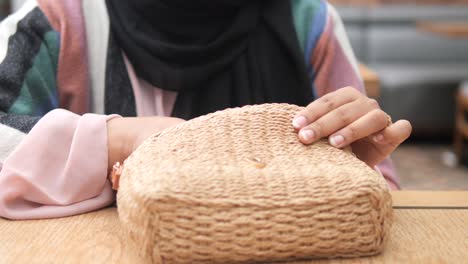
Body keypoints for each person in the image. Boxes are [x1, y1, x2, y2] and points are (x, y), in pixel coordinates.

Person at [0, 0, 411, 220]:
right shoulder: (58, 22)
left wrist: (351, 170)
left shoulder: (309, 22)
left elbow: (383, 193)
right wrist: (117, 140)